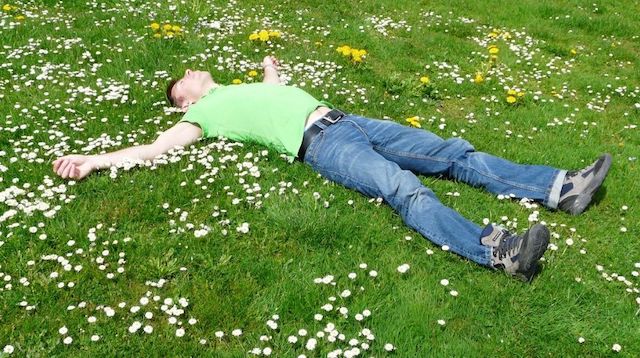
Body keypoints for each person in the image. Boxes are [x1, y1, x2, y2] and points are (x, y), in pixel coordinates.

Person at [52, 55, 612, 282]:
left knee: (451, 151)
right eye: (186, 83)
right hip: (319, 144)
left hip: (350, 120)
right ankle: (499, 251)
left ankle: (559, 187)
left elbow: (274, 89)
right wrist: (94, 159)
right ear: (185, 103)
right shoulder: (203, 117)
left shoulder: (239, 88)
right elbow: (153, 150)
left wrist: (271, 67)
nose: (195, 73)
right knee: (403, 189)